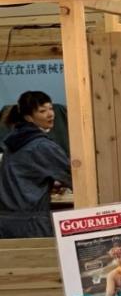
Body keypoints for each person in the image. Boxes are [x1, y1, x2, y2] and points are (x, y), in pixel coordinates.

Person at [0, 90, 71, 238]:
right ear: (28, 117)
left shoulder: (12, 141)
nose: (50, 114)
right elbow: (75, 177)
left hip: (6, 222)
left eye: (51, 108)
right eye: (42, 111)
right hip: (32, 223)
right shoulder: (42, 146)